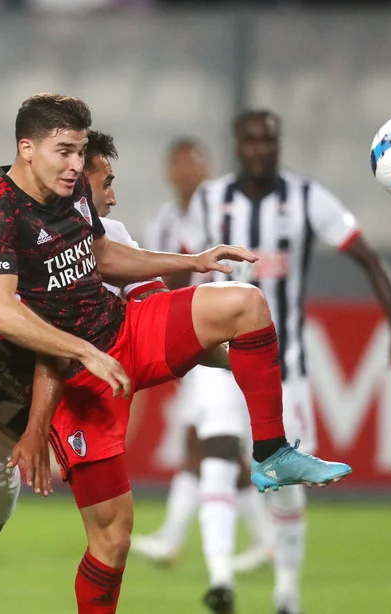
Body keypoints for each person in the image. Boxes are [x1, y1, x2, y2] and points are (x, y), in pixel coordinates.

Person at [0, 93, 351, 613]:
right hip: (75, 379)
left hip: (125, 329)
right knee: (113, 540)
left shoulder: (71, 190)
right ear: (26, 148)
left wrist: (194, 261)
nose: (77, 164)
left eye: (81, 151)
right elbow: (1, 312)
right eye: (65, 151)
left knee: (245, 304)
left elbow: (98, 253)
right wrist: (86, 353)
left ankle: (270, 454)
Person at [161, 109, 391, 614]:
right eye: (251, 141)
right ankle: (221, 580)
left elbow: (366, 256)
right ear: (238, 145)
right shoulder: (212, 199)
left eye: (268, 141)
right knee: (215, 452)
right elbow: (183, 267)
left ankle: (286, 592)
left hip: (287, 368)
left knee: (284, 483)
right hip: (219, 359)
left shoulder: (306, 198)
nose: (260, 149)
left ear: (277, 145)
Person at [132, 139, 276, 581]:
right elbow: (153, 275)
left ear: (206, 168)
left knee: (213, 441)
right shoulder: (162, 220)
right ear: (168, 171)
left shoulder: (226, 210)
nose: (185, 171)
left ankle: (183, 538)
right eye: (177, 163)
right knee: (211, 441)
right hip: (186, 336)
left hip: (226, 332)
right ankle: (261, 537)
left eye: (194, 161)